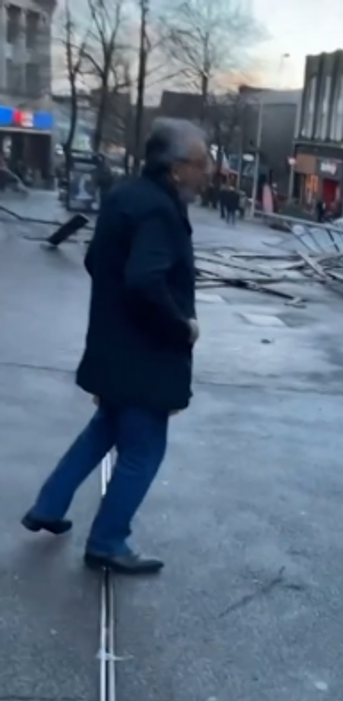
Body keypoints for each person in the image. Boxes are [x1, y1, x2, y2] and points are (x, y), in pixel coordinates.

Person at [21, 118, 209, 576]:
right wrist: (181, 325)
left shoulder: (125, 196)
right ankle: (107, 541)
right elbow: (146, 280)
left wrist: (117, 310)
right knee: (143, 452)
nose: (208, 173)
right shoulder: (160, 211)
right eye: (201, 164)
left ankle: (49, 506)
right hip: (145, 357)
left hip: (112, 346)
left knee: (103, 430)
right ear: (176, 167)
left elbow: (94, 260)